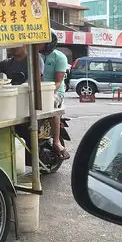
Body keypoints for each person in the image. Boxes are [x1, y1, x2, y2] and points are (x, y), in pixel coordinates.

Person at [39, 32, 70, 160]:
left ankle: (56, 141)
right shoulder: (34, 56)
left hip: (56, 92)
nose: (37, 44)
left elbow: (58, 82)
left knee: (51, 104)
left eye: (40, 42)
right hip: (37, 91)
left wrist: (47, 94)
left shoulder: (60, 57)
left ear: (49, 43)